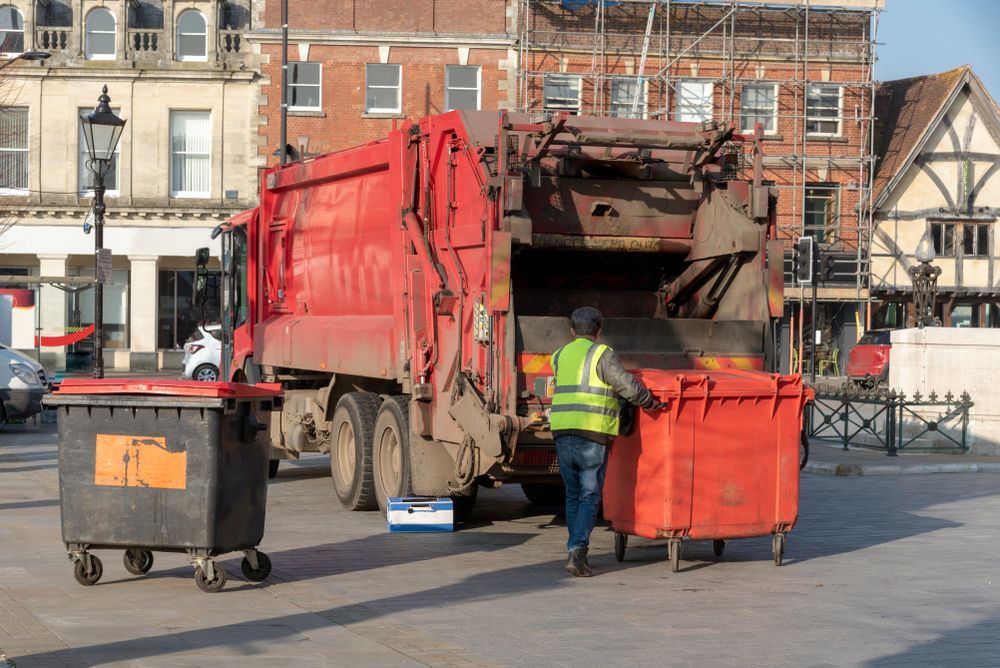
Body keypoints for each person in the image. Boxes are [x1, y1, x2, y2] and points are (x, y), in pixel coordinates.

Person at [549, 306, 663, 577]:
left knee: (573, 493)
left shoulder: (559, 355)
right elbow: (626, 386)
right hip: (592, 433)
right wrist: (650, 402)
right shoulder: (602, 354)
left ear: (572, 331)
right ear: (599, 331)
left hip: (563, 432)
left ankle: (574, 549)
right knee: (589, 495)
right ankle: (577, 551)